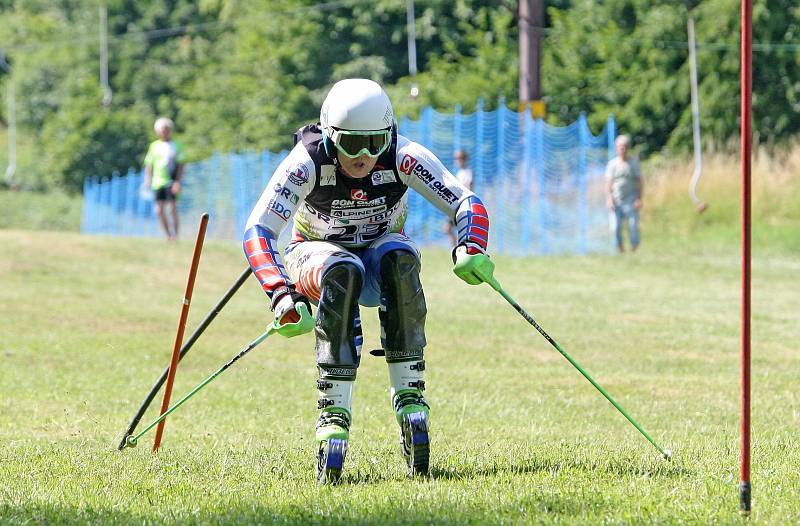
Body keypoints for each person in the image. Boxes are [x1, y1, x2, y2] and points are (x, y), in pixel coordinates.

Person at [243, 79, 494, 483]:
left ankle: (409, 394)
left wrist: (472, 245)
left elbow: (466, 201)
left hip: (379, 252)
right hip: (317, 254)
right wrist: (280, 294)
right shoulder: (305, 162)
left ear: (389, 135)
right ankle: (334, 411)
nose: (363, 157)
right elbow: (258, 231)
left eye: (375, 143)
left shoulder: (403, 156)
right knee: (345, 270)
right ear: (329, 136)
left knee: (400, 259)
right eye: (351, 144)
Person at [144, 117, 186, 241]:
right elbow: (149, 164)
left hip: (171, 181)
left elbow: (181, 164)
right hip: (158, 183)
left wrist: (178, 181)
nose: (164, 132)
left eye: (166, 129)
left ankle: (175, 235)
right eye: (162, 130)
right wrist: (148, 180)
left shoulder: (176, 145)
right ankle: (168, 235)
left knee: (172, 209)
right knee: (159, 210)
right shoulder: (154, 146)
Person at [605, 135, 643, 252]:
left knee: (633, 226)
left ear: (628, 148)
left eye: (625, 147)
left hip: (631, 200)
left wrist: (639, 198)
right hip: (616, 201)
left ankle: (634, 250)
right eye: (620, 147)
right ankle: (620, 249)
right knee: (615, 227)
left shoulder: (634, 163)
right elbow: (608, 183)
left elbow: (640, 182)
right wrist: (609, 199)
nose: (622, 149)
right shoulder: (612, 164)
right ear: (616, 148)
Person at [444, 149, 474, 246]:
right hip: (455, 204)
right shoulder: (460, 172)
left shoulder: (468, 172)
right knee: (448, 228)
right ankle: (455, 248)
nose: (457, 161)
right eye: (455, 158)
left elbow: (469, 187)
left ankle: (459, 249)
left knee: (459, 230)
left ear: (465, 159)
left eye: (459, 158)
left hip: (462, 204)